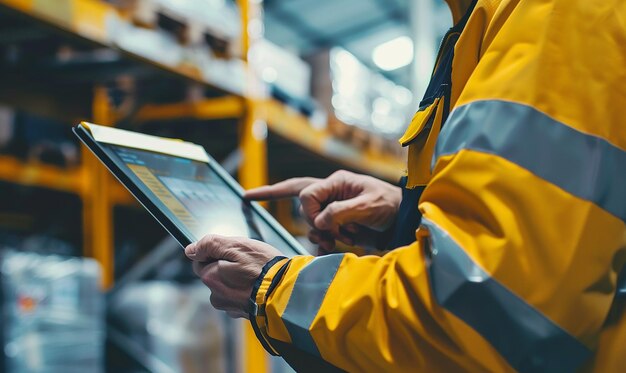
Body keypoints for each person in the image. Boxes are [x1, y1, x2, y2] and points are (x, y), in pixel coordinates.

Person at [185, 0, 626, 371]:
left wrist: (274, 286)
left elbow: (480, 317)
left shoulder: (555, 16)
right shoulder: (486, 20)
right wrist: (406, 215)